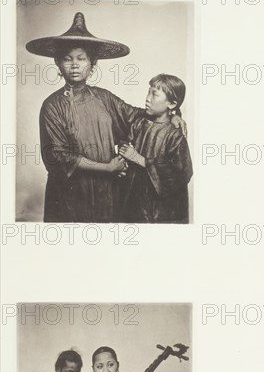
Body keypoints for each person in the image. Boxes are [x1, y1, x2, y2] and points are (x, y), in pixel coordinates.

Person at [26, 12, 185, 222]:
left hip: (107, 192)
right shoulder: (52, 106)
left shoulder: (104, 98)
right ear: (58, 63)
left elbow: (136, 117)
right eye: (68, 58)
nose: (75, 64)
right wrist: (107, 168)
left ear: (92, 64)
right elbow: (57, 156)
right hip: (70, 194)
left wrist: (173, 114)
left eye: (81, 58)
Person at [118, 74, 193, 223]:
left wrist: (141, 160)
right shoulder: (138, 124)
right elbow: (126, 147)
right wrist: (122, 165)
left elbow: (183, 172)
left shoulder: (174, 134)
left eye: (154, 94)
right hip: (134, 202)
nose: (147, 98)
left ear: (172, 104)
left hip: (161, 211)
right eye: (148, 92)